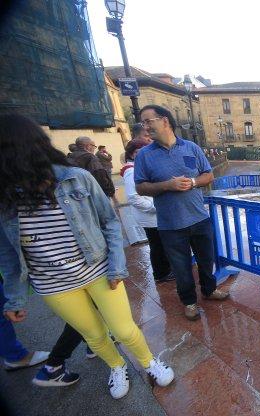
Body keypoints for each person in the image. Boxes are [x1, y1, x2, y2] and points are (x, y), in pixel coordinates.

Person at [0, 114, 174, 399]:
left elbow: (109, 222)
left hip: (98, 270)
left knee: (124, 329)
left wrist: (117, 266)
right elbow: (8, 253)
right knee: (94, 335)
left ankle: (149, 362)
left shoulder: (75, 178)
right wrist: (15, 297)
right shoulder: (5, 196)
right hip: (53, 284)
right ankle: (117, 366)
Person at [133, 105, 229, 321]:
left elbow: (208, 175)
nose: (145, 127)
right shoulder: (144, 156)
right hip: (170, 224)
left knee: (206, 260)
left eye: (149, 121)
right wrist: (167, 185)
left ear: (165, 120)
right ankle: (189, 302)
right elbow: (140, 187)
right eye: (143, 123)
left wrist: (193, 182)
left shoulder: (191, 147)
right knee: (181, 267)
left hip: (199, 218)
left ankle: (209, 290)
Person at [121, 137, 173, 284]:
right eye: (139, 151)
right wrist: (155, 208)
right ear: (132, 154)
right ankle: (161, 273)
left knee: (159, 244)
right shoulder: (131, 171)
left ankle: (164, 270)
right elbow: (133, 198)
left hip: (151, 215)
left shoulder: (137, 167)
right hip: (150, 216)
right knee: (157, 245)